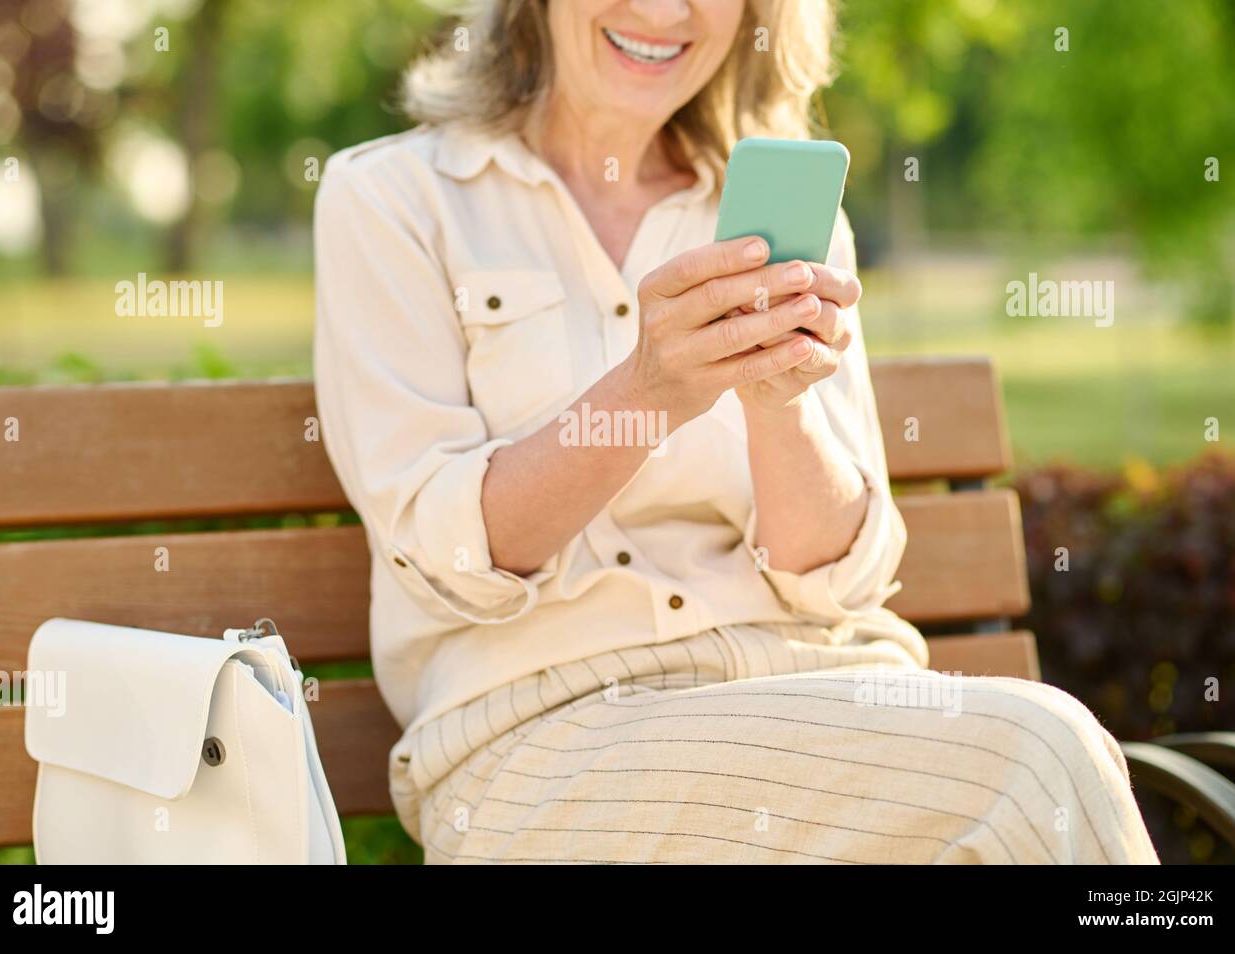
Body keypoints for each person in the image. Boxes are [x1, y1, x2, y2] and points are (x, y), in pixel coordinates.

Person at [313, 0, 1158, 864]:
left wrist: (779, 403)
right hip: (542, 742)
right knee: (1037, 757)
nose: (663, 11)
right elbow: (443, 553)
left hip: (816, 691)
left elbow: (839, 580)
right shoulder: (393, 198)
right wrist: (649, 393)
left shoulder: (786, 213)